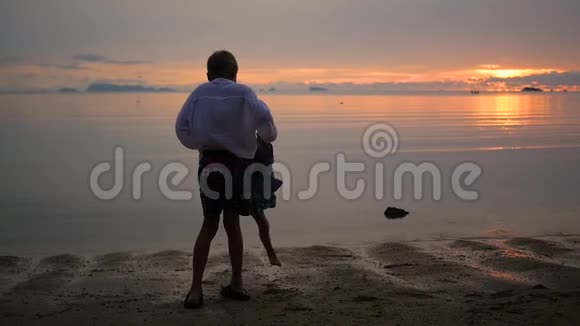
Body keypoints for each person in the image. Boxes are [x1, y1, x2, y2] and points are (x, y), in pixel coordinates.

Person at [175, 50, 277, 309]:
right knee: (232, 224)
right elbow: (267, 123)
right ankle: (236, 283)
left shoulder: (199, 92)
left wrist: (197, 143)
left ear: (208, 75)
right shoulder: (244, 93)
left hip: (209, 165)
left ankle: (195, 290)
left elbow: (181, 127)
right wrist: (264, 136)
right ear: (235, 74)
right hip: (237, 167)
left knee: (209, 225)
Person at [250, 136, 283, 266]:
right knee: (231, 221)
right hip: (238, 169)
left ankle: (270, 251)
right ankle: (270, 252)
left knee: (259, 216)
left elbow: (270, 134)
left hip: (257, 173)